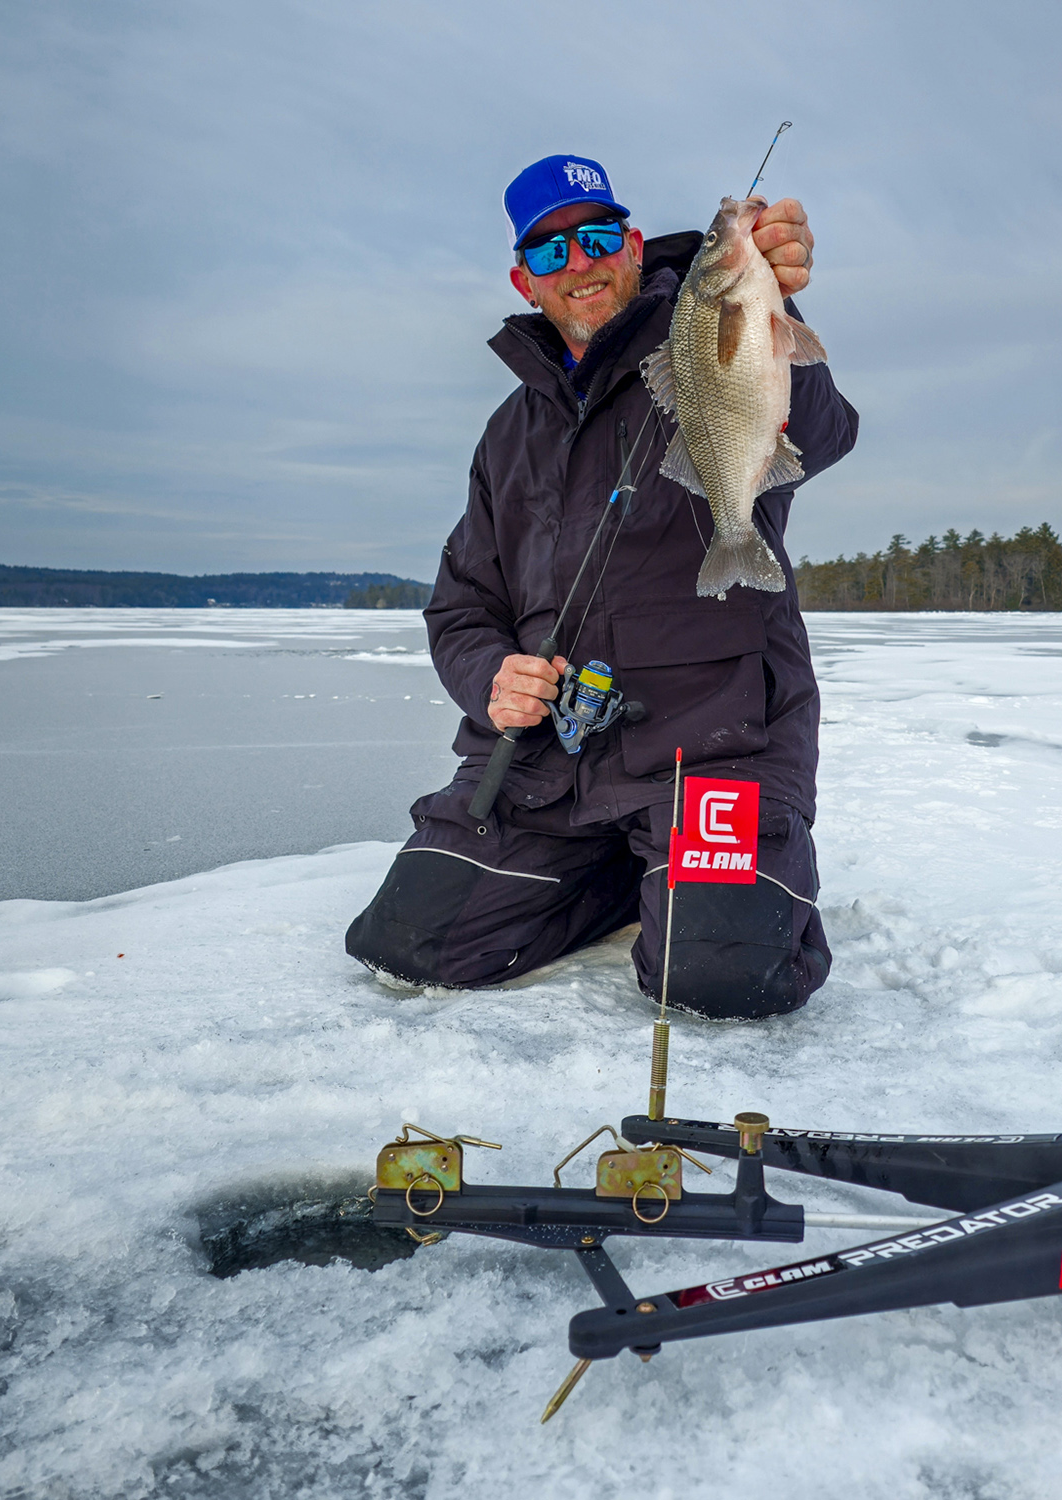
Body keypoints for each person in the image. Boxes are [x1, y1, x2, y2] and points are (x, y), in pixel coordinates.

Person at [344, 153, 858, 1019]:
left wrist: (775, 293)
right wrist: (491, 679)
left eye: (594, 238)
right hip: (550, 771)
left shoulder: (700, 340)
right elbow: (463, 605)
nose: (578, 263)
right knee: (409, 945)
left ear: (629, 243)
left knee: (720, 979)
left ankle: (685, 879)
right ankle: (631, 876)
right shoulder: (508, 434)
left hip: (715, 749)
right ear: (524, 278)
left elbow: (821, 430)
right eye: (551, 253)